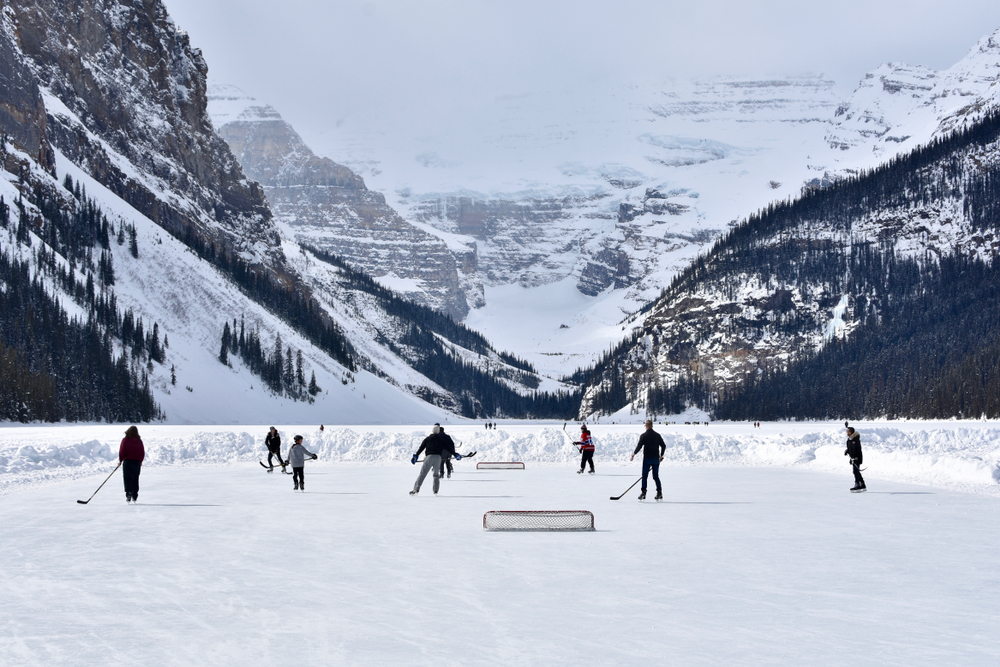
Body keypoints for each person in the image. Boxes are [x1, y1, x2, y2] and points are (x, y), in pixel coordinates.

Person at [410, 423, 461, 495]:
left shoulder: (427, 439)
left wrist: (416, 456)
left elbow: (421, 448)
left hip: (429, 457)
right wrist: (455, 454)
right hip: (438, 458)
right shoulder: (441, 439)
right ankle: (435, 490)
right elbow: (448, 448)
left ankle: (416, 489)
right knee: (436, 474)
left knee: (422, 474)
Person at [630, 420, 666, 500]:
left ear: (646, 426)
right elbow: (663, 445)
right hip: (656, 459)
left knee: (644, 476)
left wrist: (634, 454)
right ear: (652, 426)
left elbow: (639, 446)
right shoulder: (657, 435)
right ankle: (659, 492)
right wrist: (661, 455)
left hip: (647, 458)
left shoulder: (644, 435)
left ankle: (643, 492)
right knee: (656, 476)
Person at [119, 425, 145, 503]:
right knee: (135, 478)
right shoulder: (139, 441)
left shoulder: (125, 440)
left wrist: (120, 460)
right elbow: (142, 452)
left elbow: (122, 451)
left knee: (127, 478)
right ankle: (135, 495)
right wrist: (140, 461)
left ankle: (128, 493)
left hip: (127, 462)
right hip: (136, 462)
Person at [845, 426, 866, 492]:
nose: (847, 432)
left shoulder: (855, 439)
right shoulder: (850, 439)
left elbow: (856, 449)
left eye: (847, 431)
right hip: (853, 457)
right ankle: (862, 484)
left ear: (850, 432)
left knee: (855, 471)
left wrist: (855, 457)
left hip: (856, 458)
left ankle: (857, 484)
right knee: (856, 471)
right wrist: (847, 450)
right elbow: (851, 448)